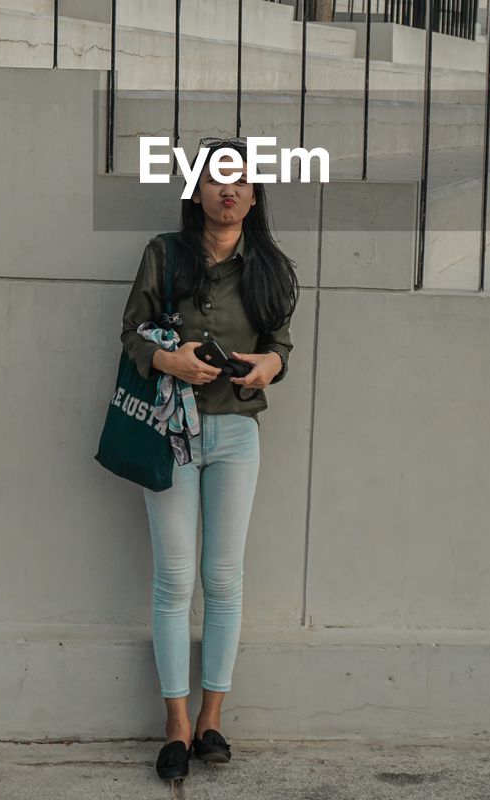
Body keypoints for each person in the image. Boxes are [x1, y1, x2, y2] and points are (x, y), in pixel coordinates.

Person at [120, 136, 299, 782]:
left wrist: (267, 366)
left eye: (241, 180)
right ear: (196, 192)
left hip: (236, 434)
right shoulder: (164, 256)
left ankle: (211, 720)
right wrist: (171, 360)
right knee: (174, 580)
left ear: (254, 196)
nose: (229, 189)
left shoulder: (272, 266)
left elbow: (281, 344)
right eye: (216, 179)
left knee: (223, 579)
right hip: (171, 429)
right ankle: (173, 725)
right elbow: (133, 331)